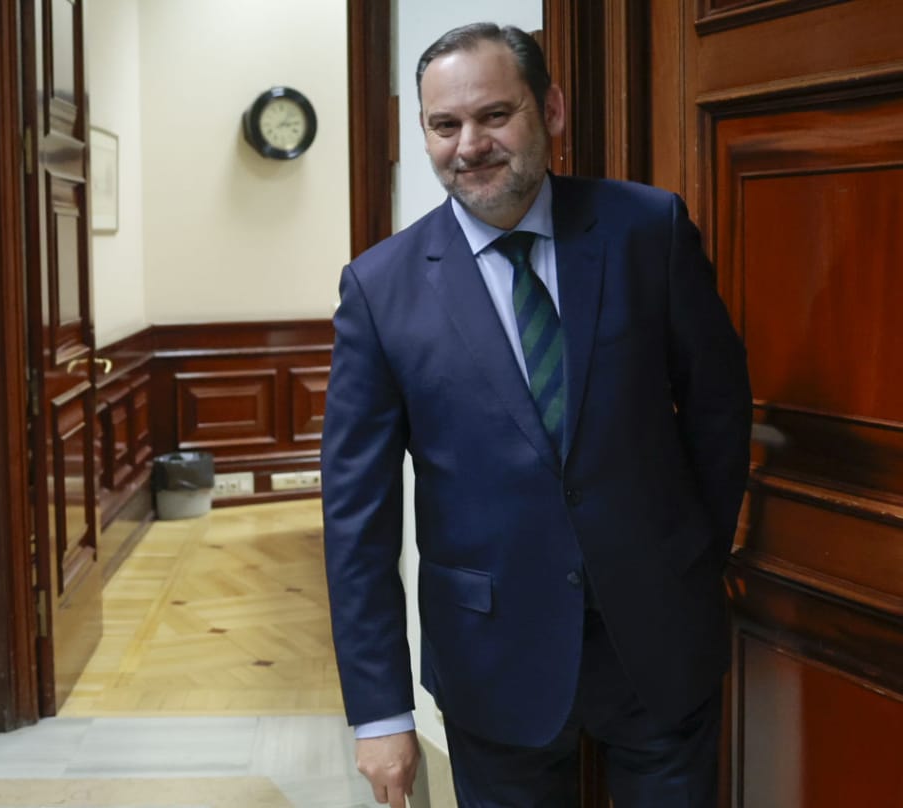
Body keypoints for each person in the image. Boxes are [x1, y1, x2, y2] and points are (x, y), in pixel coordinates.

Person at [320, 21, 753, 808]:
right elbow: (358, 520)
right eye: (444, 125)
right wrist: (379, 711)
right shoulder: (380, 291)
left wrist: (693, 553)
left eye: (494, 115)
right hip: (492, 663)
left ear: (549, 110)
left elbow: (720, 408)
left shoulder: (645, 232)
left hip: (659, 642)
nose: (469, 144)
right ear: (423, 132)